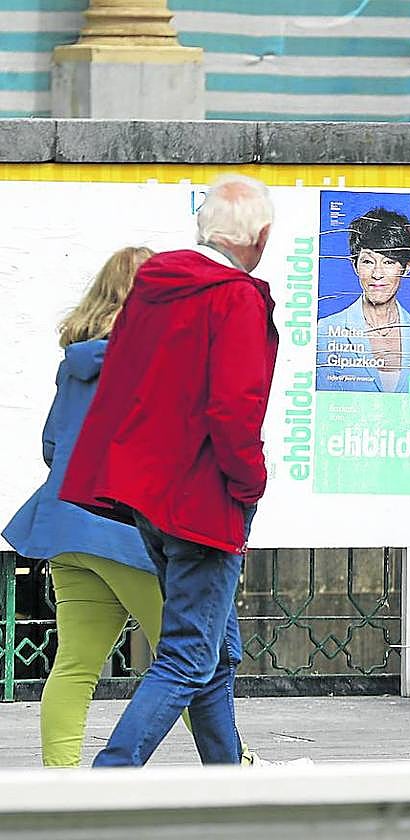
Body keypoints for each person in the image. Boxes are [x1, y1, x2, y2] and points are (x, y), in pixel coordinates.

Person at [60, 173, 279, 767]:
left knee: (212, 653)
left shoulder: (153, 287)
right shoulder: (235, 296)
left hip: (149, 495)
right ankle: (112, 775)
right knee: (188, 654)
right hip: (205, 498)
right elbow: (234, 408)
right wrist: (250, 483)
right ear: (259, 236)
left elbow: (124, 388)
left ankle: (226, 781)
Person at [2, 247, 163, 766]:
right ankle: (235, 765)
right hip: (124, 531)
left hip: (65, 526)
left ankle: (61, 781)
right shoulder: (150, 362)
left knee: (73, 666)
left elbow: (52, 446)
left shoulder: (74, 364)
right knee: (187, 664)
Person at [316, 207, 410, 393]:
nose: (377, 274)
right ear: (355, 265)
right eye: (368, 261)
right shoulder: (326, 330)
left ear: (407, 266)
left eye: (388, 262)